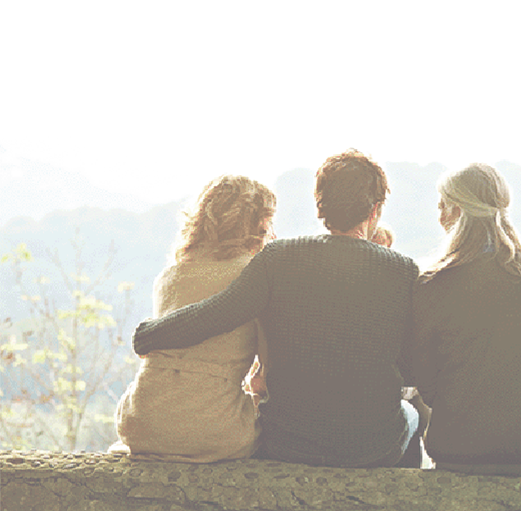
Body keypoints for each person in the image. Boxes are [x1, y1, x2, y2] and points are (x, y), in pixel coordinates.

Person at [132, 149, 422, 468]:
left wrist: (148, 335)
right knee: (410, 414)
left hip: (287, 442)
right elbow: (412, 365)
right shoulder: (403, 271)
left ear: (319, 206)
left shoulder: (278, 259)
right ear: (376, 210)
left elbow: (215, 314)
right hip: (371, 446)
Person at [408, 163, 521, 474]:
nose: (439, 216)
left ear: (457, 211)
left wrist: (458, 407)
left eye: (442, 205)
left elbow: (422, 374)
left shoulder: (432, 283)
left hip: (458, 447)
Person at [113, 175, 275, 462]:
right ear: (255, 223)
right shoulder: (254, 276)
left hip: (141, 422)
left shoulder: (169, 276)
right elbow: (266, 372)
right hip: (214, 430)